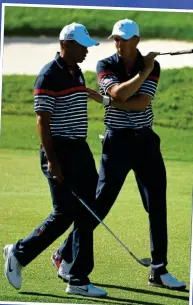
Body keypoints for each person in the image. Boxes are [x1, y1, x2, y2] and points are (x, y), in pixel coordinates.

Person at [52, 19, 186, 290]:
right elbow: (117, 92)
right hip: (117, 144)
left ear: (136, 40)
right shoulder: (105, 65)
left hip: (146, 142)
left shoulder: (153, 66)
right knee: (100, 204)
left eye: (124, 39)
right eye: (116, 38)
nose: (119, 44)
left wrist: (114, 100)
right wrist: (140, 74)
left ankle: (158, 270)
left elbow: (139, 104)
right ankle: (65, 253)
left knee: (157, 205)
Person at [3, 22, 108, 298]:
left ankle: (76, 276)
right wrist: (52, 161)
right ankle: (19, 253)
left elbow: (71, 98)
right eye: (82, 46)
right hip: (59, 152)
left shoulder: (76, 72)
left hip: (79, 149)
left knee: (90, 209)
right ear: (66, 45)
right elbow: (42, 121)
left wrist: (94, 95)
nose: (87, 50)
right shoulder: (48, 75)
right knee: (64, 214)